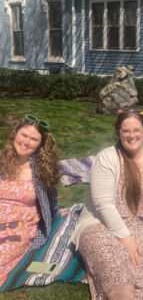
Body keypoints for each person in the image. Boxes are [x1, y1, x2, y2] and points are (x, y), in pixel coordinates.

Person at [70, 111, 143, 300]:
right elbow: (103, 204)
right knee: (119, 279)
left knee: (140, 277)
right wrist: (127, 239)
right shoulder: (107, 157)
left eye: (137, 130)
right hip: (99, 223)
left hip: (139, 225)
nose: (132, 135)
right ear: (118, 132)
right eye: (126, 131)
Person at [0, 114, 68, 287]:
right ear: (15, 133)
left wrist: (54, 213)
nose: (26, 142)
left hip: (18, 228)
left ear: (40, 143)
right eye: (24, 135)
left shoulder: (42, 169)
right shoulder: (1, 160)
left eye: (33, 139)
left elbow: (51, 199)